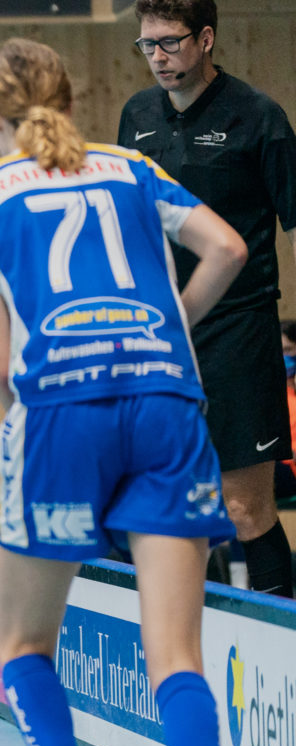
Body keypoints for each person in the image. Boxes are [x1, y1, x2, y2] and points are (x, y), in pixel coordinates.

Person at [0, 39, 246, 746]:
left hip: (60, 414)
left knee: (24, 645)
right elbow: (229, 248)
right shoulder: (131, 168)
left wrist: (23, 434)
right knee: (176, 652)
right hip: (165, 404)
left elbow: (2, 365)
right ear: (72, 101)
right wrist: (171, 326)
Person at [117, 0, 296, 598]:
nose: (158, 57)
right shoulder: (136, 116)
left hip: (239, 336)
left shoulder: (260, 120)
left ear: (207, 38)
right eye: (147, 45)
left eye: (170, 42)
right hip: (162, 334)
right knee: (160, 502)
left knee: (244, 508)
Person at [277, 320, 296, 499]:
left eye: (287, 350)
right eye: (278, 351)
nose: (283, 357)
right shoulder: (267, 394)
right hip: (279, 468)